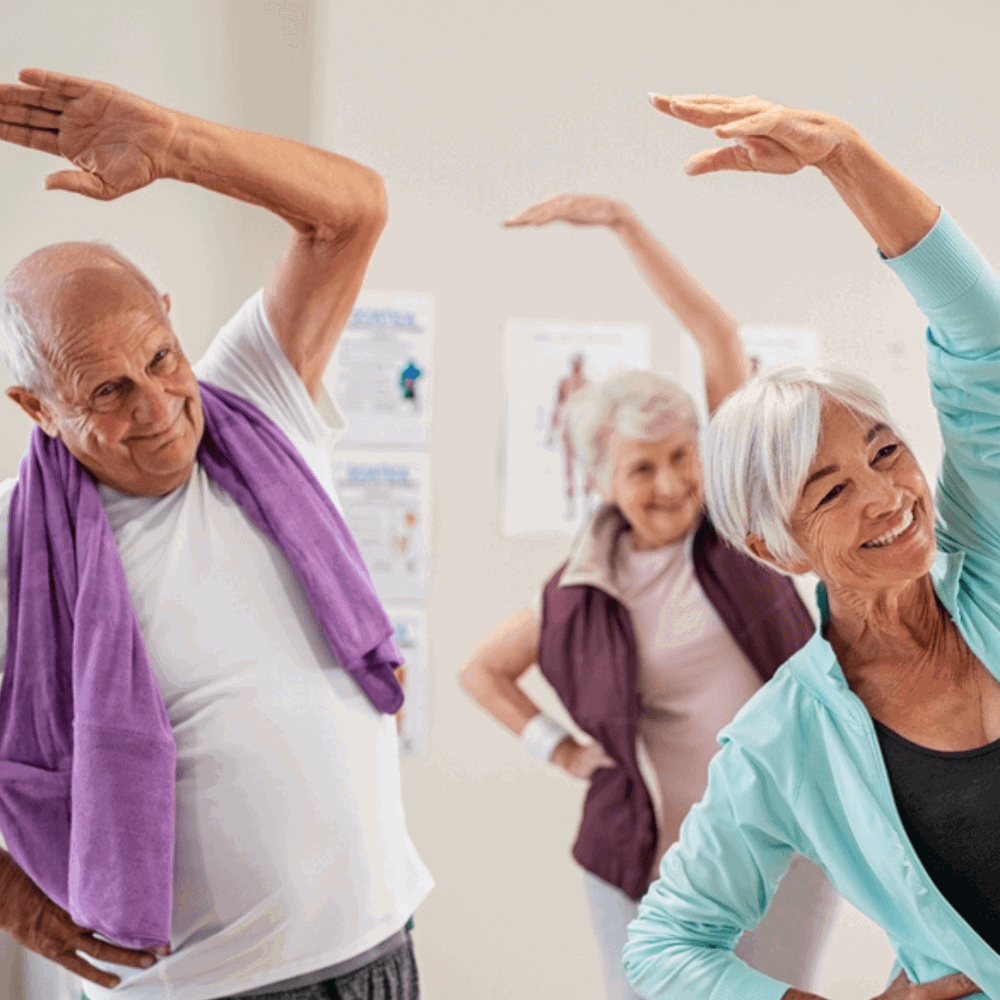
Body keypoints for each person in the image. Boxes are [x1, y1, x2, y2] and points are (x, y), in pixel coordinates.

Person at [0, 69, 432, 1000]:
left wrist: (176, 145)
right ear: (35, 407)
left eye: (160, 358)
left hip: (378, 954)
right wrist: (9, 896)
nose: (159, 408)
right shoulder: (12, 545)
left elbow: (352, 213)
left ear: (170, 316)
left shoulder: (258, 403)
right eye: (106, 392)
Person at [622, 94, 1000, 1000]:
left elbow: (981, 344)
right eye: (830, 491)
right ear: (778, 546)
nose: (889, 497)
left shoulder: (982, 556)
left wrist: (846, 158)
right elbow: (666, 948)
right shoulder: (786, 737)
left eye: (885, 451)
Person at [460, 193, 835, 1000]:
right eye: (641, 467)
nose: (670, 483)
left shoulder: (736, 528)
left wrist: (625, 227)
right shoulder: (579, 591)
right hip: (645, 861)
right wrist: (555, 749)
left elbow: (717, 337)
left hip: (784, 845)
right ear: (599, 480)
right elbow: (481, 673)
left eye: (681, 455)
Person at [546, 350, 591, 517]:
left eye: (577, 363)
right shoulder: (564, 382)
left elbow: (592, 410)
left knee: (587, 467)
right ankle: (571, 508)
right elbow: (557, 406)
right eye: (573, 363)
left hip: (583, 429)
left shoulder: (587, 384)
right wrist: (551, 432)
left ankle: (587, 508)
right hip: (567, 428)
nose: (575, 366)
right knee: (569, 469)